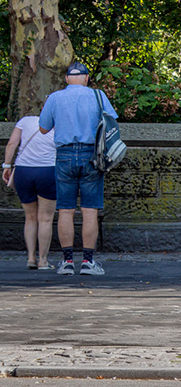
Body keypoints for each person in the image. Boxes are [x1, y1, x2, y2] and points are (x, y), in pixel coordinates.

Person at [38, 62, 117, 276]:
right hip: (92, 155)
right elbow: (112, 122)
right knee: (90, 209)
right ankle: (88, 263)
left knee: (65, 209)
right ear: (86, 77)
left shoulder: (54, 98)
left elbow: (43, 128)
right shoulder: (98, 96)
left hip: (64, 156)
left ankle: (67, 262)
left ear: (66, 79)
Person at [3, 113, 57, 269]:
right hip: (48, 170)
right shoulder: (58, 124)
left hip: (23, 171)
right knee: (45, 218)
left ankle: (31, 258)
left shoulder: (24, 121)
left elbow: (12, 143)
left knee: (30, 217)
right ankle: (43, 261)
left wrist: (7, 166)